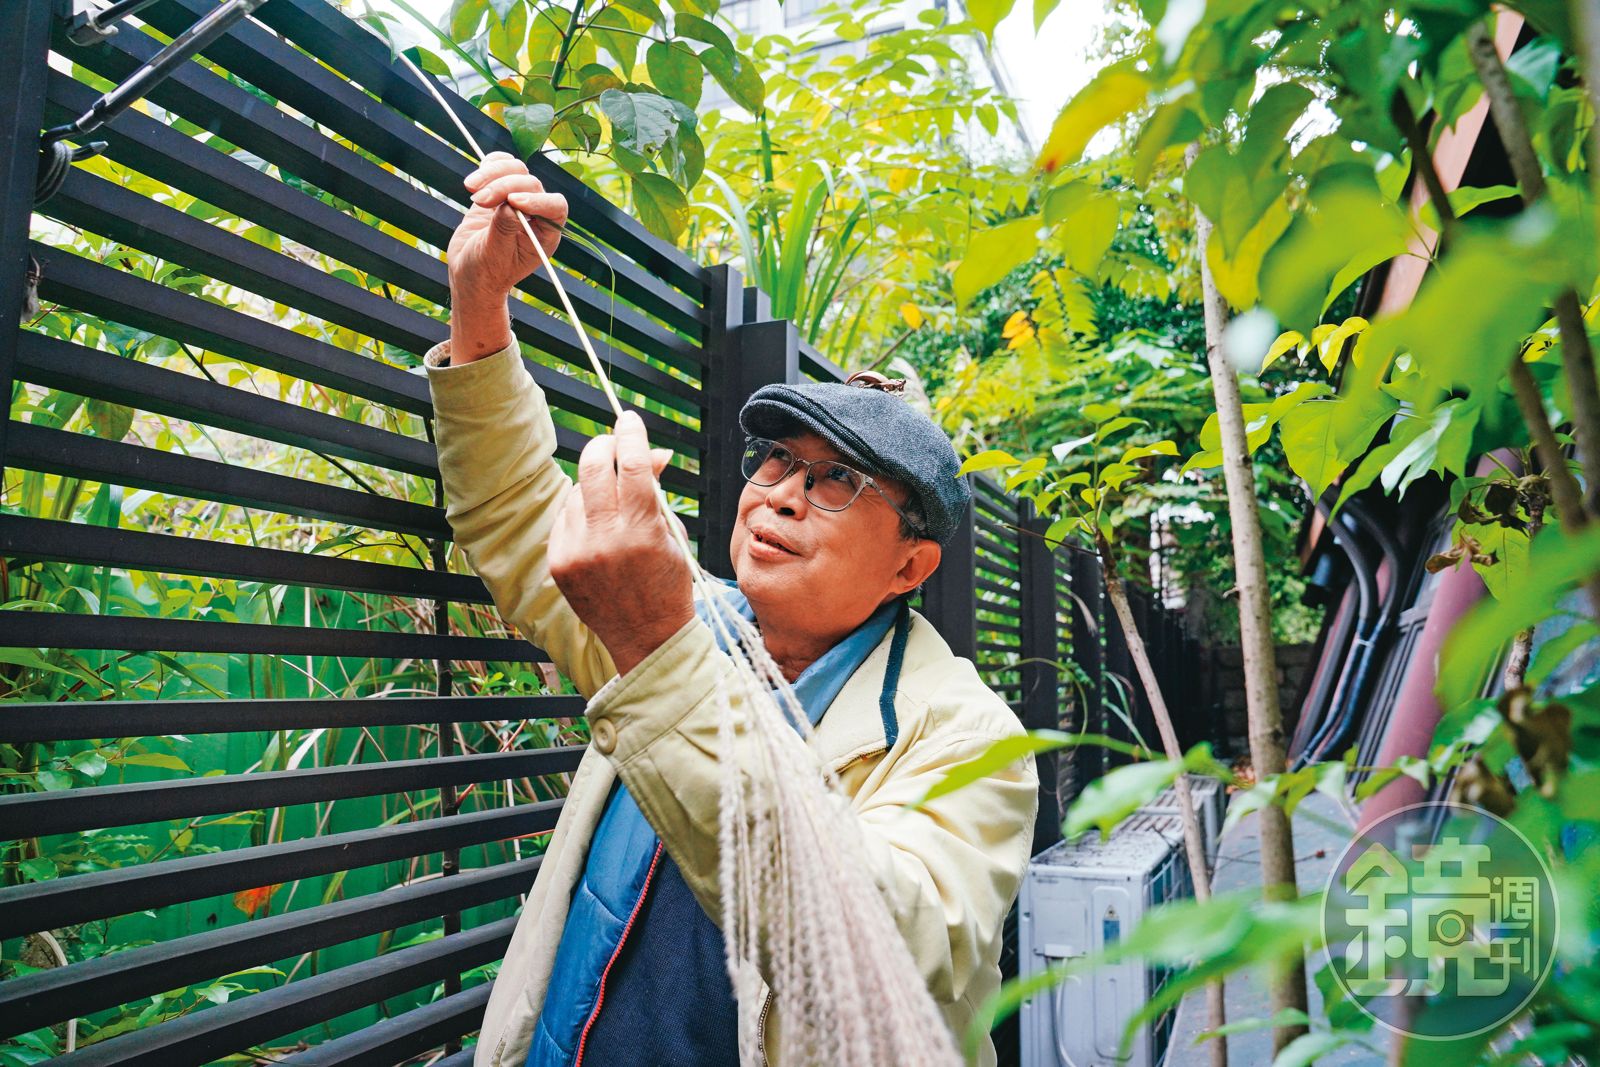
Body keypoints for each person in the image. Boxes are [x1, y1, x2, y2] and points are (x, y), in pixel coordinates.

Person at [426, 151, 1038, 1067]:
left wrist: (654, 641)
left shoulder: (969, 736)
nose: (782, 495)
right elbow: (517, 513)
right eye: (777, 462)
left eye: (839, 480)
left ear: (912, 564)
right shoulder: (683, 627)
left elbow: (885, 946)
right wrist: (480, 306)